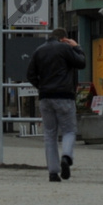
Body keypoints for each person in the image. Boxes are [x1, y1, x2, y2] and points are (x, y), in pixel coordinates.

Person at [26, 29, 86, 182]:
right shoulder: (65, 48)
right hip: (64, 96)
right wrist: (77, 46)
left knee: (49, 134)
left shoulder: (38, 51)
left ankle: (53, 172)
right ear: (63, 39)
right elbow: (81, 62)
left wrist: (42, 87)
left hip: (45, 98)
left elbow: (30, 74)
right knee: (69, 131)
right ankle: (66, 156)